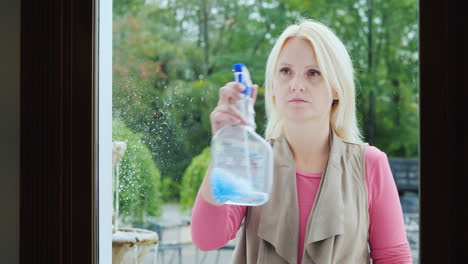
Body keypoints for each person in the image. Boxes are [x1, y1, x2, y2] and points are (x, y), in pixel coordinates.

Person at [191, 18, 413, 264]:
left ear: (337, 88)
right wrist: (226, 150)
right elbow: (207, 239)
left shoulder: (370, 163)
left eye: (313, 73)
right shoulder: (251, 160)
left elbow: (393, 257)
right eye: (285, 72)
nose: (296, 85)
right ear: (273, 85)